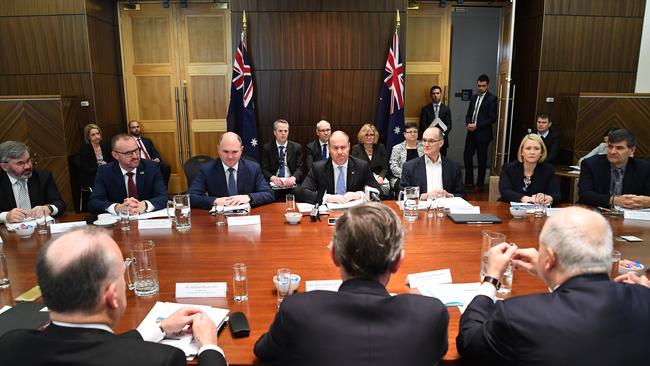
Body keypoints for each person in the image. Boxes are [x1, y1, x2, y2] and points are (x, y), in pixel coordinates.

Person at [254, 203, 449, 366]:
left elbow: (263, 351)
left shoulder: (297, 311)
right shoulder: (430, 314)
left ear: (334, 256)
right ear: (398, 261)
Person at [0, 227, 227, 366]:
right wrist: (209, 347)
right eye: (121, 274)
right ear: (112, 296)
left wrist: (159, 329)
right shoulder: (159, 360)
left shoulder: (11, 345)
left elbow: (90, 348)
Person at [457, 207, 650, 365]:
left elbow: (469, 342)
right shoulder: (643, 298)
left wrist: (491, 278)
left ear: (549, 258)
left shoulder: (518, 315)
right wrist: (549, 274)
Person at [188, 132, 274, 209]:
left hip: (246, 217)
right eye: (225, 151)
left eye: (234, 152)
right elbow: (191, 197)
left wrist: (249, 197)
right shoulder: (207, 169)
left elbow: (268, 194)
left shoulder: (253, 168)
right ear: (218, 149)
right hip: (219, 218)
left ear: (241, 150)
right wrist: (214, 201)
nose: (230, 157)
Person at [88, 134, 168, 215]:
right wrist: (117, 207)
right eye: (128, 153)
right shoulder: (105, 171)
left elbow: (163, 197)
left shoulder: (151, 167)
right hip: (120, 222)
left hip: (146, 219)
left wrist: (144, 205)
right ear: (115, 155)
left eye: (136, 150)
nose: (135, 156)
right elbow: (94, 202)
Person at [295, 130, 380, 204]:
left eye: (343, 147)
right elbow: (303, 192)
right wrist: (327, 198)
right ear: (329, 148)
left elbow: (379, 191)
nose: (339, 152)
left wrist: (359, 195)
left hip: (354, 214)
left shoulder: (361, 166)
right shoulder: (318, 168)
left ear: (349, 147)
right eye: (335, 148)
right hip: (328, 213)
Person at [578, 128, 650, 209]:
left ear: (632, 150)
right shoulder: (591, 164)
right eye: (610, 146)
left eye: (619, 148)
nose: (612, 152)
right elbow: (585, 195)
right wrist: (615, 200)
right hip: (596, 213)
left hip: (631, 215)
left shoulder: (644, 168)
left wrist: (647, 202)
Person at [0, 141, 66, 223]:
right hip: (10, 233)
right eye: (20, 163)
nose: (27, 166)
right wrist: (6, 216)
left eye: (28, 160)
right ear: (4, 167)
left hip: (41, 229)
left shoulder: (43, 176)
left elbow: (60, 204)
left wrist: (48, 208)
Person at [400, 127, 464, 199]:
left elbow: (461, 194)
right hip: (421, 209)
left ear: (441, 143)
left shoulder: (453, 166)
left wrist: (449, 196)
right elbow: (403, 195)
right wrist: (423, 197)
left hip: (445, 208)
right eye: (424, 140)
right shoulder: (409, 167)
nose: (426, 144)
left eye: (431, 141)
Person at [499, 134, 560, 204]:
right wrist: (526, 198)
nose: (532, 152)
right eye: (528, 148)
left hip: (538, 211)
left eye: (536, 149)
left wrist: (548, 198)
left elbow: (556, 194)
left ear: (541, 152)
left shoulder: (548, 170)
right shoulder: (508, 168)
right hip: (509, 209)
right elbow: (505, 191)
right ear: (522, 152)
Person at [463, 74, 498, 191]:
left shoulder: (492, 99)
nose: (480, 88)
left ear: (487, 85)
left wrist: (477, 126)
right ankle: (469, 182)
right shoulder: (473, 98)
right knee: (467, 156)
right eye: (479, 85)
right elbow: (468, 114)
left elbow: (492, 118)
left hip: (483, 134)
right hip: (471, 133)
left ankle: (480, 184)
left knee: (481, 160)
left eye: (483, 86)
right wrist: (468, 124)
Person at [261, 119, 305, 191]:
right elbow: (264, 169)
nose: (283, 133)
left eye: (285, 131)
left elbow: (300, 168)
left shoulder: (297, 147)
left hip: (291, 182)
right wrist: (272, 177)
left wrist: (293, 178)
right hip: (275, 182)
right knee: (267, 194)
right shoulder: (267, 148)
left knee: (302, 193)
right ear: (275, 132)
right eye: (280, 131)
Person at [129, 120, 171, 188]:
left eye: (137, 127)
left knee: (165, 167)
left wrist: (157, 159)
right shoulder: (129, 142)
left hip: (151, 162)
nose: (136, 129)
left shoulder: (147, 140)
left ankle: (164, 189)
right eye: (133, 127)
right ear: (130, 129)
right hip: (140, 163)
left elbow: (155, 153)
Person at [350, 123, 389, 195]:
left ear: (375, 136)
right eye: (366, 135)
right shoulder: (356, 148)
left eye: (371, 135)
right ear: (362, 136)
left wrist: (381, 177)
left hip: (378, 179)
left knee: (384, 190)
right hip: (362, 179)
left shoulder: (381, 147)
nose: (369, 137)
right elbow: (354, 168)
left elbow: (385, 168)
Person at [389, 122, 424, 189]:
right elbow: (393, 166)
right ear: (404, 134)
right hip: (402, 177)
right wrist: (407, 175)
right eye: (410, 132)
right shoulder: (397, 148)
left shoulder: (424, 147)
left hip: (421, 177)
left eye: (415, 131)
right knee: (403, 188)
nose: (413, 134)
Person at [419, 85, 452, 156]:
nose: (436, 95)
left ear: (441, 94)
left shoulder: (446, 109)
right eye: (433, 93)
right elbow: (422, 124)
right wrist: (430, 135)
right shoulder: (425, 109)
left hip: (442, 140)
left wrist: (442, 135)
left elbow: (449, 125)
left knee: (442, 161)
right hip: (429, 140)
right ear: (431, 95)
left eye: (437, 93)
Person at [78, 123, 113, 189]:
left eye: (98, 133)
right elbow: (86, 169)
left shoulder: (106, 146)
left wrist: (106, 164)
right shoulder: (85, 149)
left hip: (106, 173)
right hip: (92, 176)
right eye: (93, 135)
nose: (97, 136)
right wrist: (99, 167)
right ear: (88, 137)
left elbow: (112, 161)